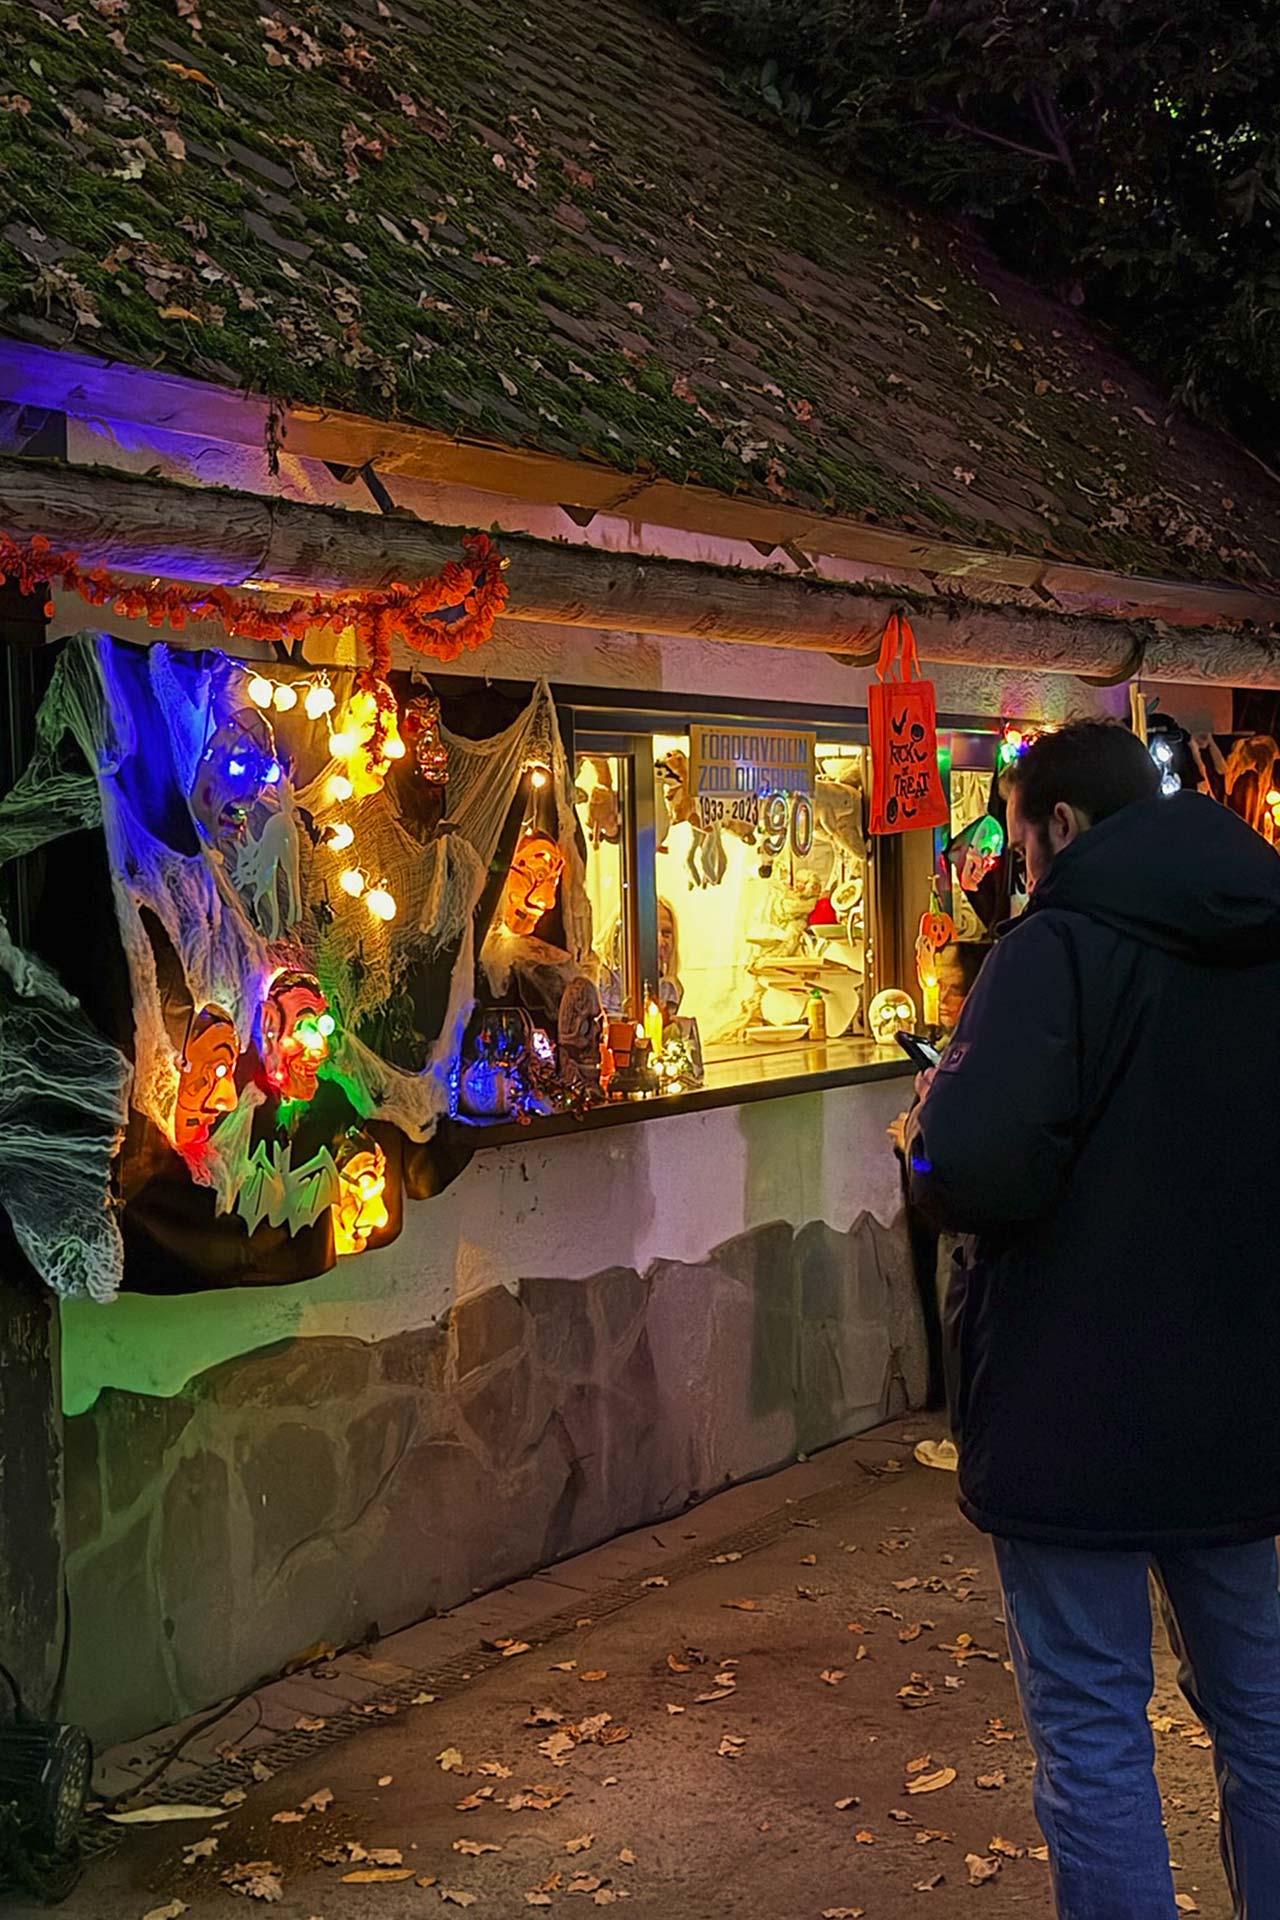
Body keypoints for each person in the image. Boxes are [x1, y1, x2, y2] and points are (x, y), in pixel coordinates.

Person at [907, 719, 1280, 1919]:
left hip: (1070, 1402)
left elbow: (978, 1169)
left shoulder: (1053, 948)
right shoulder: (1263, 929)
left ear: (1057, 828)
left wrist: (928, 1128)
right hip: (1240, 1397)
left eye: (1018, 848)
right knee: (1263, 1714)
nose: (1019, 873)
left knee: (1091, 1729)